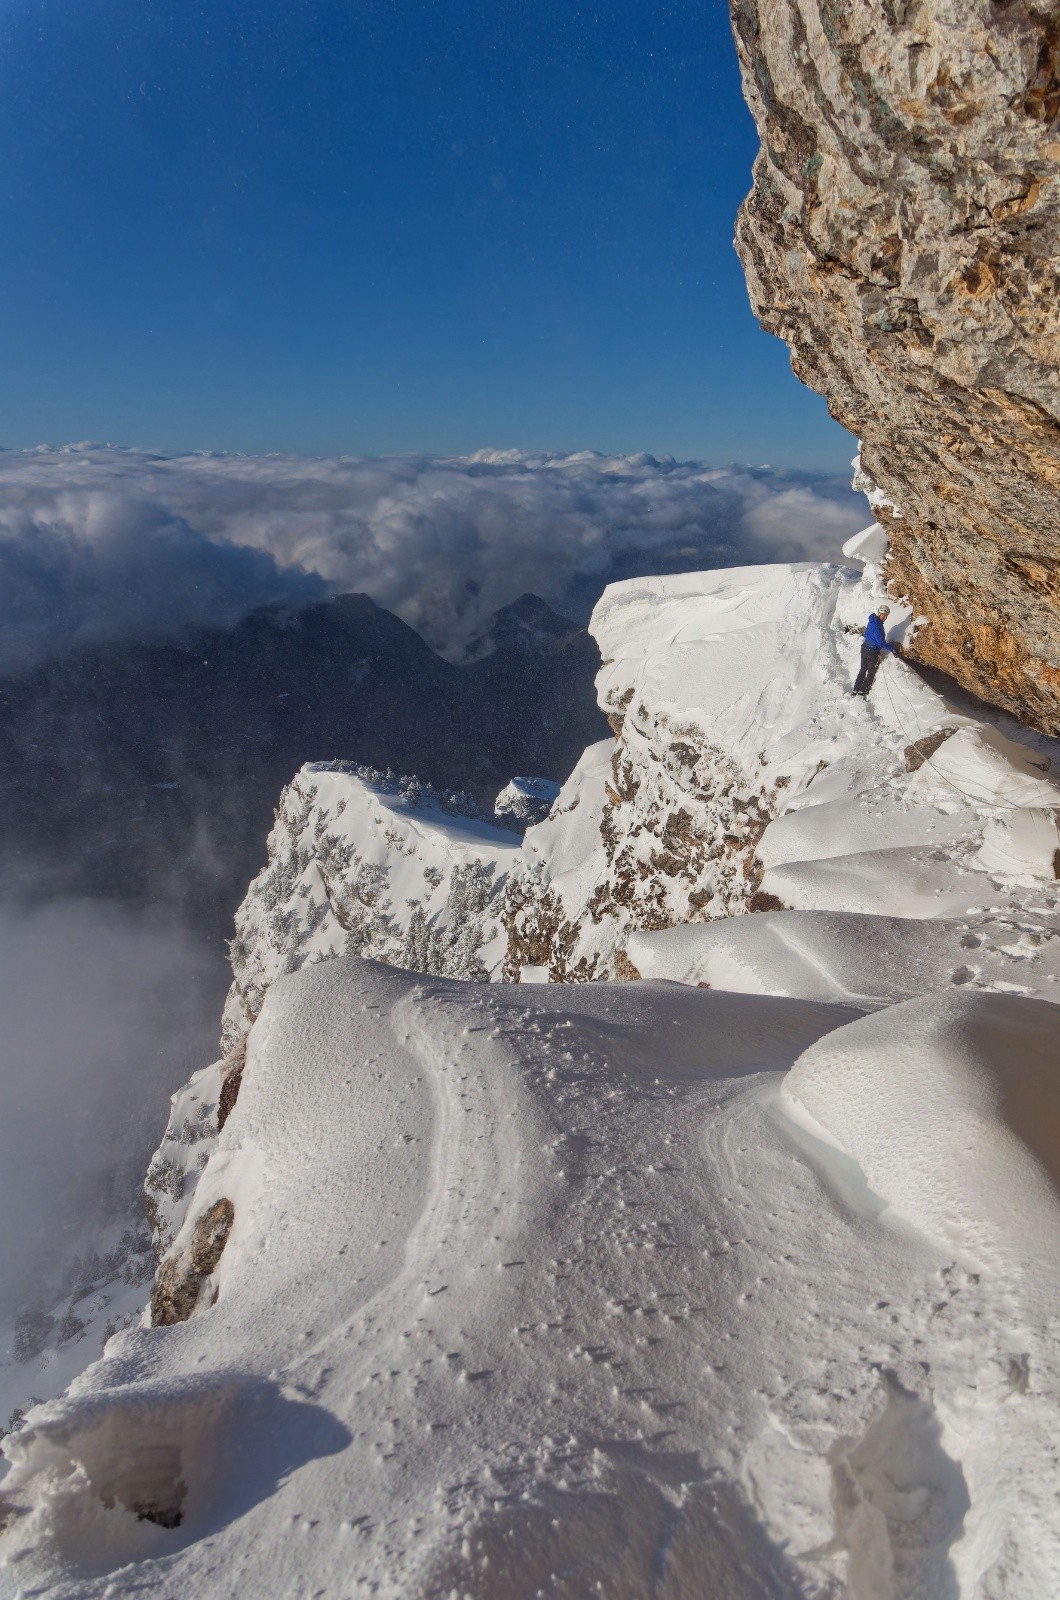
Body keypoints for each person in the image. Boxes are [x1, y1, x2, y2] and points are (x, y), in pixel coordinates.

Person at [852, 604, 900, 695]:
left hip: (864, 648)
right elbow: (881, 642)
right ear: (879, 613)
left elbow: (866, 634)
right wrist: (892, 649)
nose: (885, 617)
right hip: (871, 651)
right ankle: (863, 691)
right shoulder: (878, 625)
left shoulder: (872, 621)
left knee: (862, 670)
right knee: (871, 672)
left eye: (887, 615)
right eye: (884, 615)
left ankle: (855, 689)